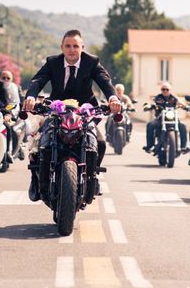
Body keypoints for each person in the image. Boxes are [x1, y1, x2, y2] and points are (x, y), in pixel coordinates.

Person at [23, 29, 121, 202]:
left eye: (76, 46)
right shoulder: (52, 62)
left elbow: (105, 81)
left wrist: (113, 98)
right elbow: (38, 81)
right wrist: (30, 97)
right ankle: (35, 178)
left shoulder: (92, 62)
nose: (71, 50)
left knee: (100, 142)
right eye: (68, 46)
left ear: (82, 47)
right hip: (56, 110)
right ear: (62, 47)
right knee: (40, 142)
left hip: (84, 112)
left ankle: (93, 177)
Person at [143, 82, 189, 154]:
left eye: (167, 89)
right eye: (163, 89)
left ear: (170, 90)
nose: (165, 91)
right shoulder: (157, 97)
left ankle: (183, 147)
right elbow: (151, 102)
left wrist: (186, 106)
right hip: (160, 119)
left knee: (183, 126)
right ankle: (150, 145)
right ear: (161, 90)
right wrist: (148, 106)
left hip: (173, 119)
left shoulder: (174, 98)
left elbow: (181, 102)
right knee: (150, 125)